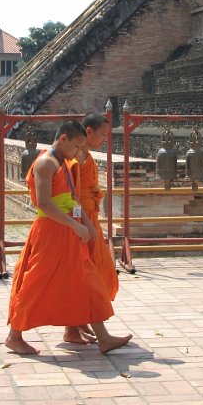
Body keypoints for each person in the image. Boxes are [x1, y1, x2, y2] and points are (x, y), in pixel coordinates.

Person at [5, 120, 132, 355]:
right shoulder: (45, 163)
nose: (78, 152)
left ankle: (99, 337)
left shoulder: (64, 162)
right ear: (63, 139)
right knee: (36, 282)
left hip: (69, 230)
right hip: (51, 231)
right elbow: (43, 203)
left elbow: (70, 197)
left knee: (86, 280)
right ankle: (14, 336)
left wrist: (84, 220)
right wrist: (75, 224)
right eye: (76, 146)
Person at [63, 112, 120, 343]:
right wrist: (83, 224)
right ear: (89, 132)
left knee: (95, 272)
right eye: (103, 134)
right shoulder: (78, 159)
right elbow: (73, 195)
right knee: (90, 275)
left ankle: (77, 324)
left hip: (89, 217)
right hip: (83, 220)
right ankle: (76, 326)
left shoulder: (84, 156)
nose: (105, 139)